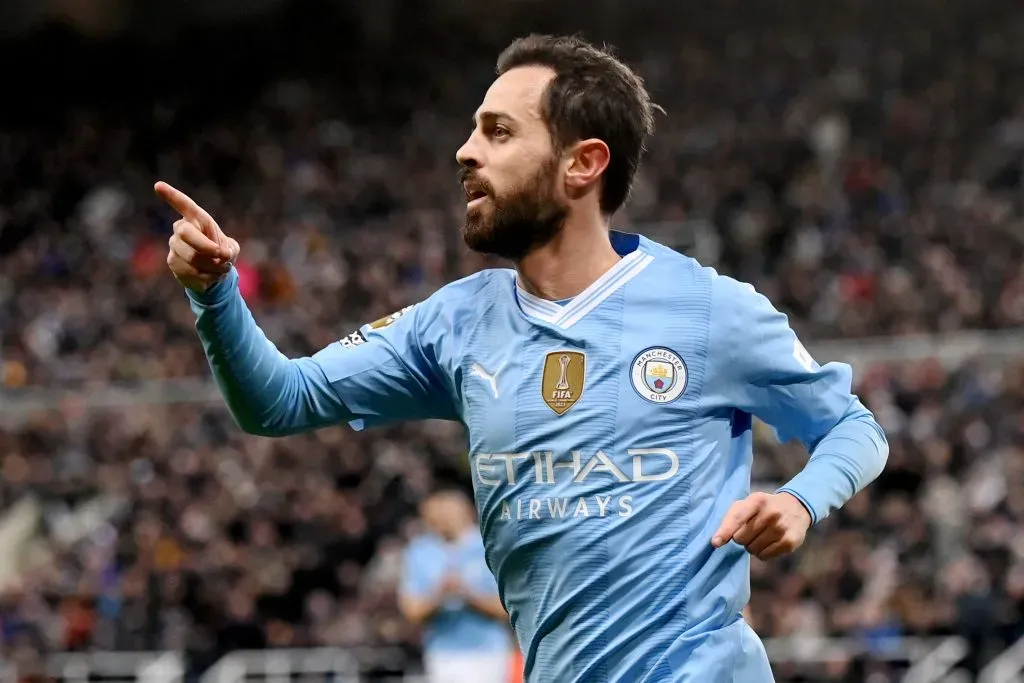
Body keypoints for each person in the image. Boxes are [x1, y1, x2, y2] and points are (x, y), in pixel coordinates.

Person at [156, 34, 889, 683]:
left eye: (498, 132)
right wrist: (215, 294)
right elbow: (277, 400)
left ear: (583, 163)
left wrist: (799, 499)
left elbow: (855, 428)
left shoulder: (707, 309)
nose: (465, 151)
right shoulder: (455, 322)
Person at [399, 490, 513, 683]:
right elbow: (412, 611)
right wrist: (440, 594)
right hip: (442, 654)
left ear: (464, 511)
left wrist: (467, 594)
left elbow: (507, 609)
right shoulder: (419, 550)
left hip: (488, 653)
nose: (437, 519)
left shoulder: (490, 547)